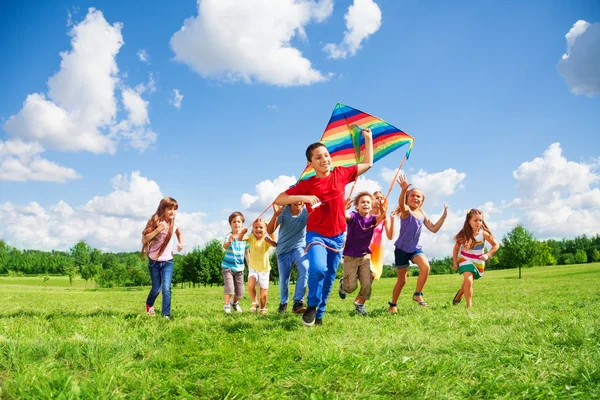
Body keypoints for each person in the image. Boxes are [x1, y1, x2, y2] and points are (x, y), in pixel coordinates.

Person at [274, 128, 374, 326]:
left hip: (337, 236)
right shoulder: (307, 183)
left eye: (326, 155)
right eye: (318, 157)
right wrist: (304, 197)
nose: (324, 160)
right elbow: (280, 198)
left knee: (329, 277)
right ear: (310, 164)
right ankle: (311, 304)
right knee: (318, 269)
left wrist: (368, 140)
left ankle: (319, 314)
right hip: (317, 234)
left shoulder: (341, 173)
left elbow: (368, 163)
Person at [388, 175, 448, 312]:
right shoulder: (406, 211)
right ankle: (393, 304)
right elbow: (401, 205)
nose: (415, 198)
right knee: (402, 280)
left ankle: (417, 294)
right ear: (407, 198)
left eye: (418, 197)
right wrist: (403, 190)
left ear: (422, 201)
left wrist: (444, 216)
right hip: (401, 249)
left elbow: (433, 228)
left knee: (425, 267)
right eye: (412, 196)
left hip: (414, 248)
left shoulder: (422, 214)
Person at [338, 192, 387, 316]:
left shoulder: (372, 219)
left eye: (368, 202)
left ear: (371, 206)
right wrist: (343, 207)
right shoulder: (353, 217)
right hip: (350, 256)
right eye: (363, 202)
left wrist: (382, 207)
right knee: (351, 287)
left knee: (367, 284)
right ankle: (343, 284)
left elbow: (382, 217)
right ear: (357, 206)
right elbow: (343, 215)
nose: (365, 204)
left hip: (365, 256)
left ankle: (360, 305)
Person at [141, 197, 183, 320]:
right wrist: (158, 229)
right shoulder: (154, 221)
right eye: (169, 208)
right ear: (162, 209)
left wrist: (180, 243)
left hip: (168, 262)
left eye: (175, 209)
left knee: (166, 288)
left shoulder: (174, 224)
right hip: (154, 262)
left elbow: (179, 233)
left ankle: (166, 315)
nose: (172, 211)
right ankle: (149, 304)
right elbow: (144, 239)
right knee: (156, 289)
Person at [267, 202, 309, 314]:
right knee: (284, 279)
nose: (298, 201)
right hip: (283, 250)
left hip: (299, 247)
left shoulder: (307, 210)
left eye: (301, 198)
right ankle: (283, 303)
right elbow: (270, 230)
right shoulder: (284, 211)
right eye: (295, 198)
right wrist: (276, 214)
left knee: (305, 267)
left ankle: (298, 303)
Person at [452, 209, 499, 308]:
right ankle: (469, 306)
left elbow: (496, 245)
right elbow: (456, 248)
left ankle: (459, 295)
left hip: (478, 261)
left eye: (480, 220)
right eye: (475, 220)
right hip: (464, 259)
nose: (478, 223)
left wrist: (487, 255)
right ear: (469, 221)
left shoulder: (484, 234)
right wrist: (455, 262)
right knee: (468, 280)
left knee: (468, 282)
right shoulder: (463, 234)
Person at [245, 219, 277, 314]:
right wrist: (243, 232)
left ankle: (263, 308)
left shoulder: (266, 240)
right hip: (253, 268)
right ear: (253, 229)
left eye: (261, 227)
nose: (258, 229)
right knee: (250, 285)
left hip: (264, 269)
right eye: (256, 227)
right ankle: (254, 302)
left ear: (266, 229)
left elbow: (275, 244)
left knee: (263, 293)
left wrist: (270, 241)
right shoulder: (251, 238)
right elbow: (240, 238)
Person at [222, 212, 248, 314]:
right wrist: (229, 241)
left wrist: (250, 267)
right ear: (230, 224)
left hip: (240, 268)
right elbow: (225, 246)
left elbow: (247, 252)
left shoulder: (245, 238)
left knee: (240, 292)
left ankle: (234, 303)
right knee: (230, 288)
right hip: (227, 266)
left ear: (242, 224)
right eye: (234, 222)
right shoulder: (229, 236)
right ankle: (226, 305)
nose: (236, 223)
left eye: (239, 221)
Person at [369, 190, 395, 280]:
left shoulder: (384, 219)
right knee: (369, 272)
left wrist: (393, 219)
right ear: (371, 200)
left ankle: (346, 282)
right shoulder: (366, 214)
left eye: (381, 198)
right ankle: (347, 281)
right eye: (377, 198)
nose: (379, 200)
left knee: (371, 277)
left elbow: (390, 237)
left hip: (376, 249)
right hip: (364, 247)